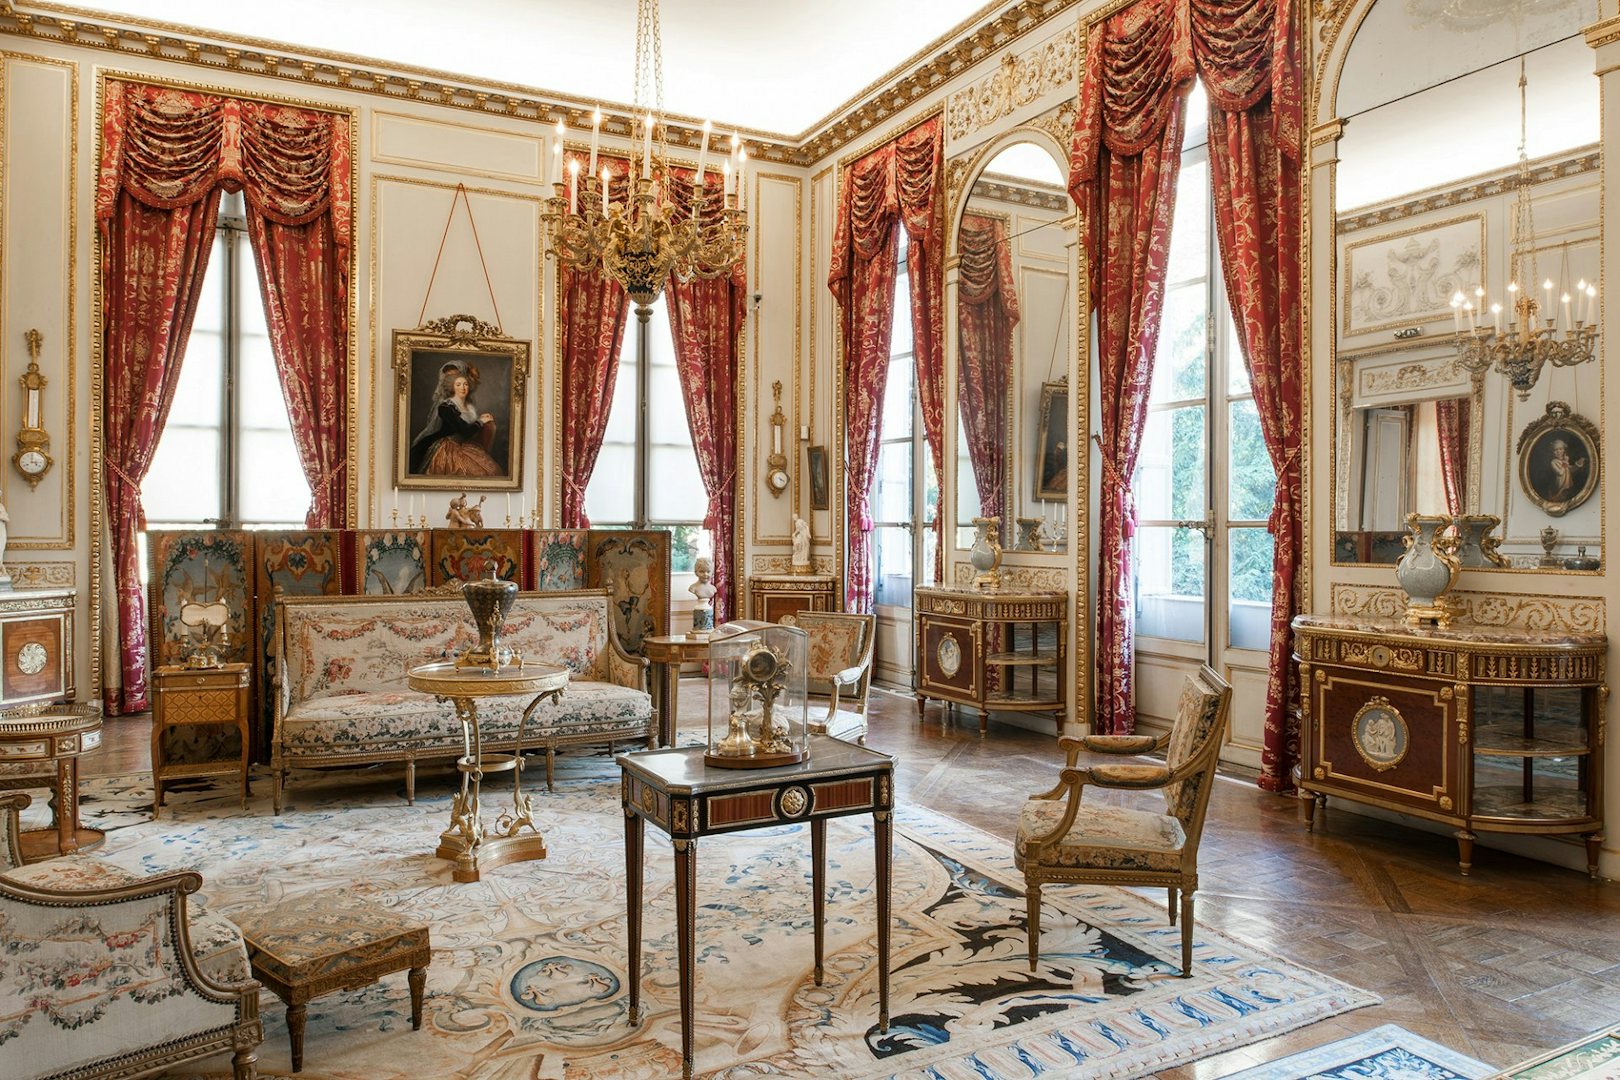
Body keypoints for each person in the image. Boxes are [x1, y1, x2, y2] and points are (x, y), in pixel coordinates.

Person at [409, 362, 502, 478]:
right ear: (452, 387)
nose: (463, 388)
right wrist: (481, 421)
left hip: (465, 445)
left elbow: (471, 430)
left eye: (465, 384)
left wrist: (487, 422)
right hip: (448, 448)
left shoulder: (470, 407)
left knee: (491, 471)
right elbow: (464, 431)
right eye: (458, 384)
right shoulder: (446, 407)